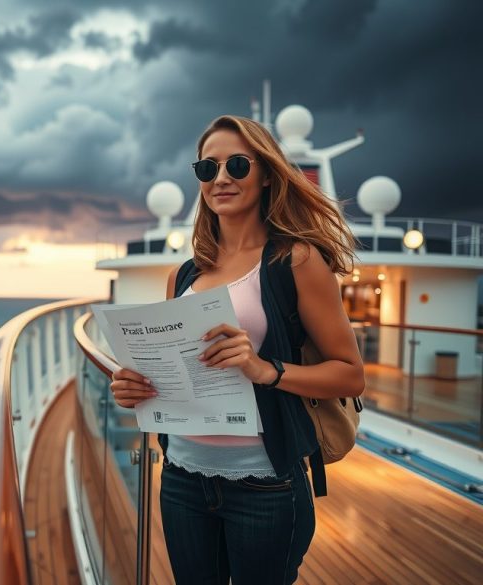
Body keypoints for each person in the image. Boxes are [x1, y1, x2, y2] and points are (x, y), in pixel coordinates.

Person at [109, 115, 365, 584]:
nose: (221, 178)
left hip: (266, 484)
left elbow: (350, 374)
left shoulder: (297, 261)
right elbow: (179, 373)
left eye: (237, 165)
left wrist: (265, 369)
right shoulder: (184, 275)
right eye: (208, 169)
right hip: (183, 477)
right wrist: (137, 387)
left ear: (266, 173)